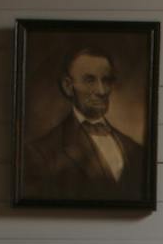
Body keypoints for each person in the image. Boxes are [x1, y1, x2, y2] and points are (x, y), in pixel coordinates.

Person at [19, 46, 147, 201]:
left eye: (106, 80)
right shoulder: (42, 153)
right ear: (68, 86)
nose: (101, 91)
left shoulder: (136, 150)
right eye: (89, 80)